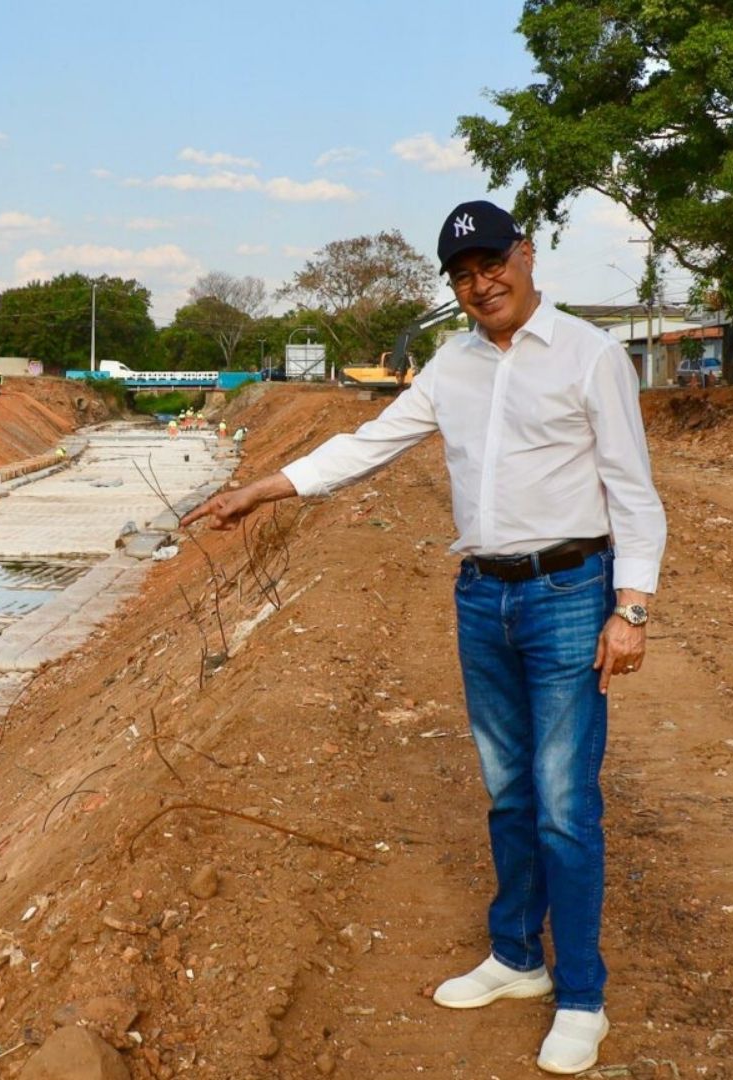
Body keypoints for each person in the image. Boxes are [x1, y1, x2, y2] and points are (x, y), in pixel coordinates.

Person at [180, 199, 665, 1076]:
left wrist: (630, 610)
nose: (483, 286)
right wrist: (262, 488)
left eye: (493, 266)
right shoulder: (452, 365)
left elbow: (633, 490)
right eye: (464, 277)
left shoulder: (592, 357)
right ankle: (517, 957)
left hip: (567, 593)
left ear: (525, 256)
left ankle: (581, 995)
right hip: (483, 596)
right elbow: (367, 443)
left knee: (564, 803)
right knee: (508, 791)